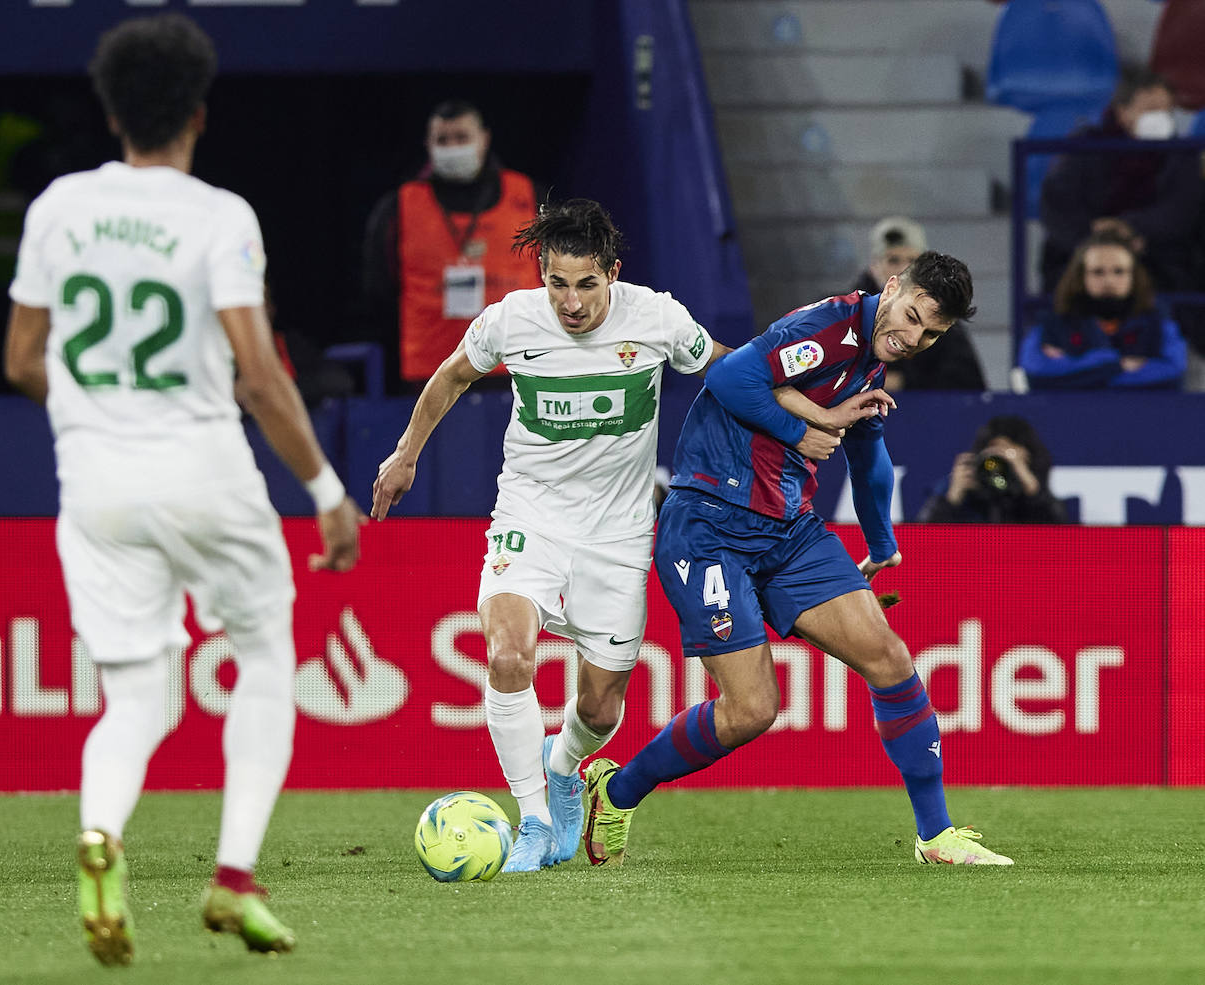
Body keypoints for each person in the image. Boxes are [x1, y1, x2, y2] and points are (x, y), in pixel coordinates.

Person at [1, 14, 362, 965]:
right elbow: (256, 371)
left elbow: (20, 359)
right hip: (202, 468)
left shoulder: (56, 208)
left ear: (111, 110)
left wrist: (96, 407)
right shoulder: (219, 216)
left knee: (136, 696)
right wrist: (325, 487)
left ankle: (101, 833)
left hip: (95, 484)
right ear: (197, 115)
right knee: (267, 652)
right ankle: (235, 878)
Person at [581, 252, 1015, 868]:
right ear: (891, 288)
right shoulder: (829, 329)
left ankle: (936, 836)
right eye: (913, 316)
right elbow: (729, 377)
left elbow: (868, 461)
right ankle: (618, 791)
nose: (912, 338)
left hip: (788, 532)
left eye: (930, 333)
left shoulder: (870, 367)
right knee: (753, 711)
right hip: (709, 524)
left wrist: (882, 543)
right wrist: (805, 427)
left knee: (889, 659)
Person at [371, 199, 730, 872]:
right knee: (508, 655)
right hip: (529, 517)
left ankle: (563, 767)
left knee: (600, 701)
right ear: (541, 273)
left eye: (586, 283)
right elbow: (452, 373)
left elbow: (727, 368)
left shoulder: (656, 317)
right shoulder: (512, 320)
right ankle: (532, 819)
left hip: (619, 534)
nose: (570, 301)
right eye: (556, 282)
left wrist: (803, 391)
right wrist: (406, 454)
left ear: (613, 274)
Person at [360, 99, 543, 389]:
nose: (453, 147)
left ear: (484, 139)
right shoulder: (399, 206)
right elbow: (379, 288)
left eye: (462, 138)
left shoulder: (529, 195)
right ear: (428, 145)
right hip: (430, 372)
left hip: (518, 365)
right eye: (442, 140)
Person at [1039, 65, 1205, 298]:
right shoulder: (1084, 148)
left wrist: (1129, 227)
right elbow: (1058, 207)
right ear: (1123, 112)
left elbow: (1180, 211)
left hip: (1160, 263)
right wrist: (1099, 243)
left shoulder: (1181, 156)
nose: (1161, 119)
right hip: (1084, 258)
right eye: (1151, 110)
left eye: (1166, 112)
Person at [1018, 231, 1187, 390]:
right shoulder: (1053, 321)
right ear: (1080, 276)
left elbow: (1173, 373)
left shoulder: (1159, 322)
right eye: (1098, 272)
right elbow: (1036, 372)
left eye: (1119, 271)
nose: (1109, 281)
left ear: (1134, 276)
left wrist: (1076, 373)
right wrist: (1116, 364)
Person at [850, 216, 985, 391]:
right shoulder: (844, 313)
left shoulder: (944, 320)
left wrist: (904, 382)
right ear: (874, 267)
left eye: (912, 261)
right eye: (893, 260)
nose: (903, 269)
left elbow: (968, 385)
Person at [916, 415, 1068, 524]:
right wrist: (953, 497)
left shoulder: (1034, 491)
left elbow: (1058, 535)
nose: (1001, 458)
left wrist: (1031, 487)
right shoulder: (968, 491)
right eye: (995, 449)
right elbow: (925, 539)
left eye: (1009, 451)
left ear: (1028, 456)